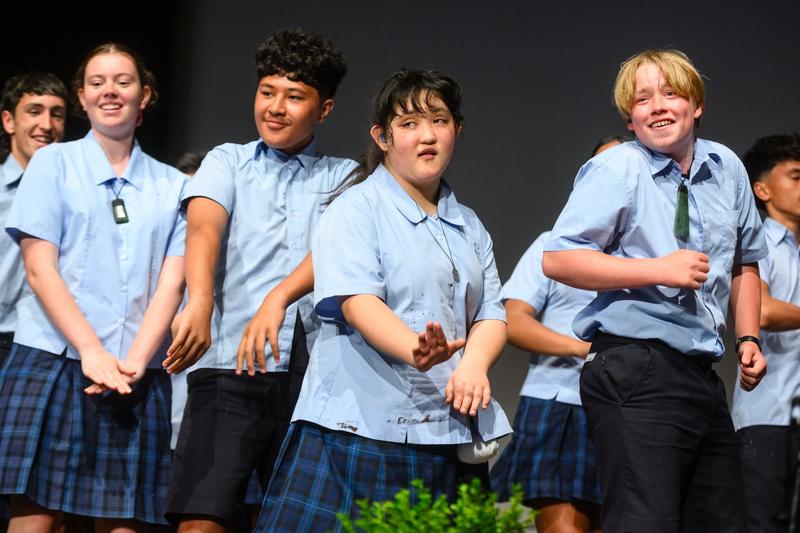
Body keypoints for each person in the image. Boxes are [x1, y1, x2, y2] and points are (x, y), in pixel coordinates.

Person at [256, 68, 512, 532]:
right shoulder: (354, 209)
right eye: (410, 123)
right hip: (361, 430)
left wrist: (473, 365)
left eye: (439, 120)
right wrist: (414, 348)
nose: (427, 135)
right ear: (383, 136)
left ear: (457, 129)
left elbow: (492, 312)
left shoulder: (470, 225)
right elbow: (357, 302)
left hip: (446, 428)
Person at [542, 49, 768, 532]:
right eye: (643, 99)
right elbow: (558, 259)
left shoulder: (725, 167)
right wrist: (655, 269)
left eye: (670, 93)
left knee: (720, 522)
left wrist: (748, 339)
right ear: (630, 117)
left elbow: (746, 262)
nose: (658, 106)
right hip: (633, 365)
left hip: (701, 373)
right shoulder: (617, 170)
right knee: (645, 521)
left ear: (697, 104)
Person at [163, 29, 355, 532]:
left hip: (312, 378)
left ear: (325, 108)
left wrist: (280, 296)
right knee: (203, 513)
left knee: (299, 518)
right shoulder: (227, 160)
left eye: (294, 97)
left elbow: (335, 248)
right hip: (231, 364)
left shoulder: (345, 176)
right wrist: (200, 299)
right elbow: (204, 225)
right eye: (267, 92)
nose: (276, 107)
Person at [0, 43, 186, 533]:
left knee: (124, 520)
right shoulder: (52, 164)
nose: (110, 91)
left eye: (123, 81)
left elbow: (172, 282)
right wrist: (90, 350)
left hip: (134, 372)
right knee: (35, 516)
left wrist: (132, 363)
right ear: (81, 97)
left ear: (144, 96)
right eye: (97, 82)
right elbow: (40, 269)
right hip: (53, 359)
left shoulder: (173, 186)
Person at [490, 138, 621, 533]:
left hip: (627, 409)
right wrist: (587, 350)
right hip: (562, 400)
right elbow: (513, 319)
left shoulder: (650, 254)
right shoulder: (553, 245)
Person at [732, 133, 800, 532]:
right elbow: (764, 309)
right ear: (762, 189)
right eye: (795, 176)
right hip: (768, 416)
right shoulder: (756, 242)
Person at [0, 72, 67, 367]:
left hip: (44, 346)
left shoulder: (74, 196)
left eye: (57, 114)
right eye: (34, 111)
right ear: (8, 121)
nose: (46, 125)